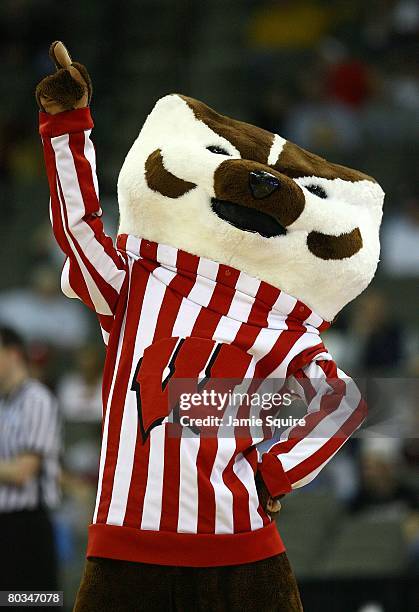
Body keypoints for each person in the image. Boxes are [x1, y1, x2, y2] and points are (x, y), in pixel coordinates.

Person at [0, 325, 61, 591]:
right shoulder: (4, 403)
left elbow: (24, 471)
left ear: (12, 354)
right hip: (6, 523)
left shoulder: (36, 399)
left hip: (26, 526)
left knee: (31, 601)